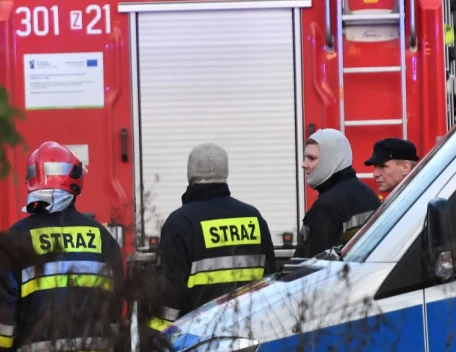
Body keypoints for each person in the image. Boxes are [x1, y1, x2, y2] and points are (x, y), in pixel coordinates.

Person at [0, 142, 126, 352]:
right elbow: (118, 307)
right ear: (75, 180)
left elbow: (6, 309)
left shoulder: (18, 237)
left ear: (31, 180)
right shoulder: (101, 236)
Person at [147, 142, 277, 332]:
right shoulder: (253, 217)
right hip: (250, 332)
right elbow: (271, 280)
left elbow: (170, 292)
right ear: (226, 172)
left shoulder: (180, 222)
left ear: (190, 173)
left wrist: (156, 338)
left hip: (199, 338)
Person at [295, 129, 380, 259]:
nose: (304, 164)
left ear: (332, 160)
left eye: (311, 158)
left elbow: (313, 268)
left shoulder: (326, 207)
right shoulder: (368, 194)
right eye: (305, 157)